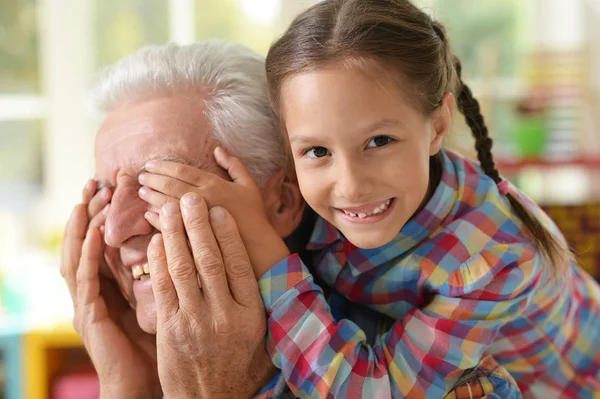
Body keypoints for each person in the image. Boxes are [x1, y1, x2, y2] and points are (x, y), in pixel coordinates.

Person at [137, 1, 600, 398]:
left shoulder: (493, 258)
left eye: (379, 141)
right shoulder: (303, 197)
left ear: (437, 126)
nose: (351, 184)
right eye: (317, 150)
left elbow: (374, 389)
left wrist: (266, 252)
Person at [62, 40, 521, 398]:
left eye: (158, 184)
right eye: (103, 191)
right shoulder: (132, 366)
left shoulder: (454, 384)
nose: (118, 229)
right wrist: (130, 389)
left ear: (281, 203)